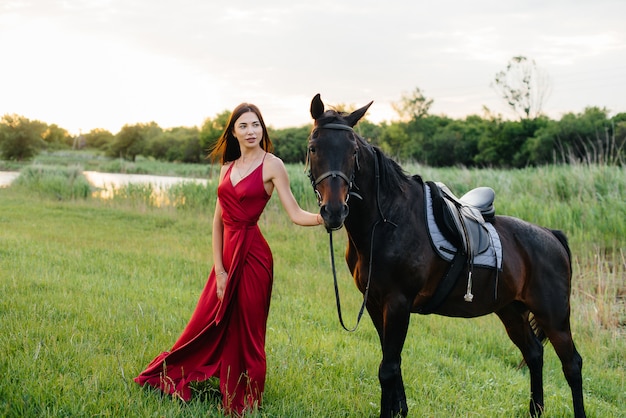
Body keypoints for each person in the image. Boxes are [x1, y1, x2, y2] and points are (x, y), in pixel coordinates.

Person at [134, 103, 323, 415]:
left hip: (253, 257)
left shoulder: (273, 165)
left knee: (248, 330)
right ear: (233, 132)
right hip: (226, 257)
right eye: (244, 126)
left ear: (263, 129)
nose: (251, 131)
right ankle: (176, 372)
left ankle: (245, 395)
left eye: (256, 125)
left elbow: (295, 213)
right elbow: (217, 222)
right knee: (204, 323)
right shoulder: (227, 167)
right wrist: (219, 271)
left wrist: (323, 218)